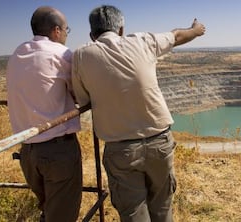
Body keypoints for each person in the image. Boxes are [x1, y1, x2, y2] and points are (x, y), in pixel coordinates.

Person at [72, 4, 205, 222]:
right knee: (162, 206)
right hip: (159, 143)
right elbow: (177, 36)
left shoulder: (80, 56)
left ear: (91, 34)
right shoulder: (143, 41)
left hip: (120, 150)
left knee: (133, 212)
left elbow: (82, 98)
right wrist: (196, 29)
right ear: (121, 29)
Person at [6, 6, 82, 222]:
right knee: (63, 216)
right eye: (67, 30)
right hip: (57, 151)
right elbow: (79, 93)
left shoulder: (17, 54)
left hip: (27, 151)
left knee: (48, 210)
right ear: (56, 31)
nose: (67, 35)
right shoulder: (62, 54)